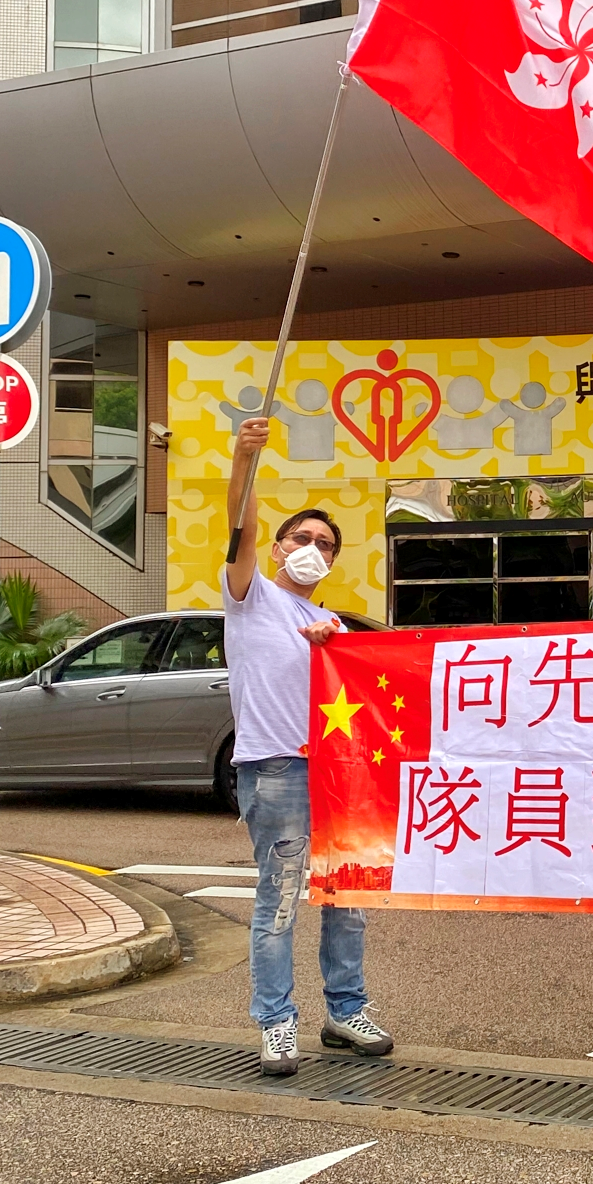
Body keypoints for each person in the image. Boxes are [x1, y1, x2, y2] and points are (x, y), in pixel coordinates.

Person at [224, 415, 395, 1075]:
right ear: (275, 547)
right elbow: (239, 524)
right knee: (280, 900)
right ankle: (276, 1023)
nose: (313, 549)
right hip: (277, 770)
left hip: (340, 774)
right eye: (302, 537)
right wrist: (246, 462)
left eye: (326, 544)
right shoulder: (251, 597)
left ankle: (344, 1010)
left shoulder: (330, 621)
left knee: (349, 897)